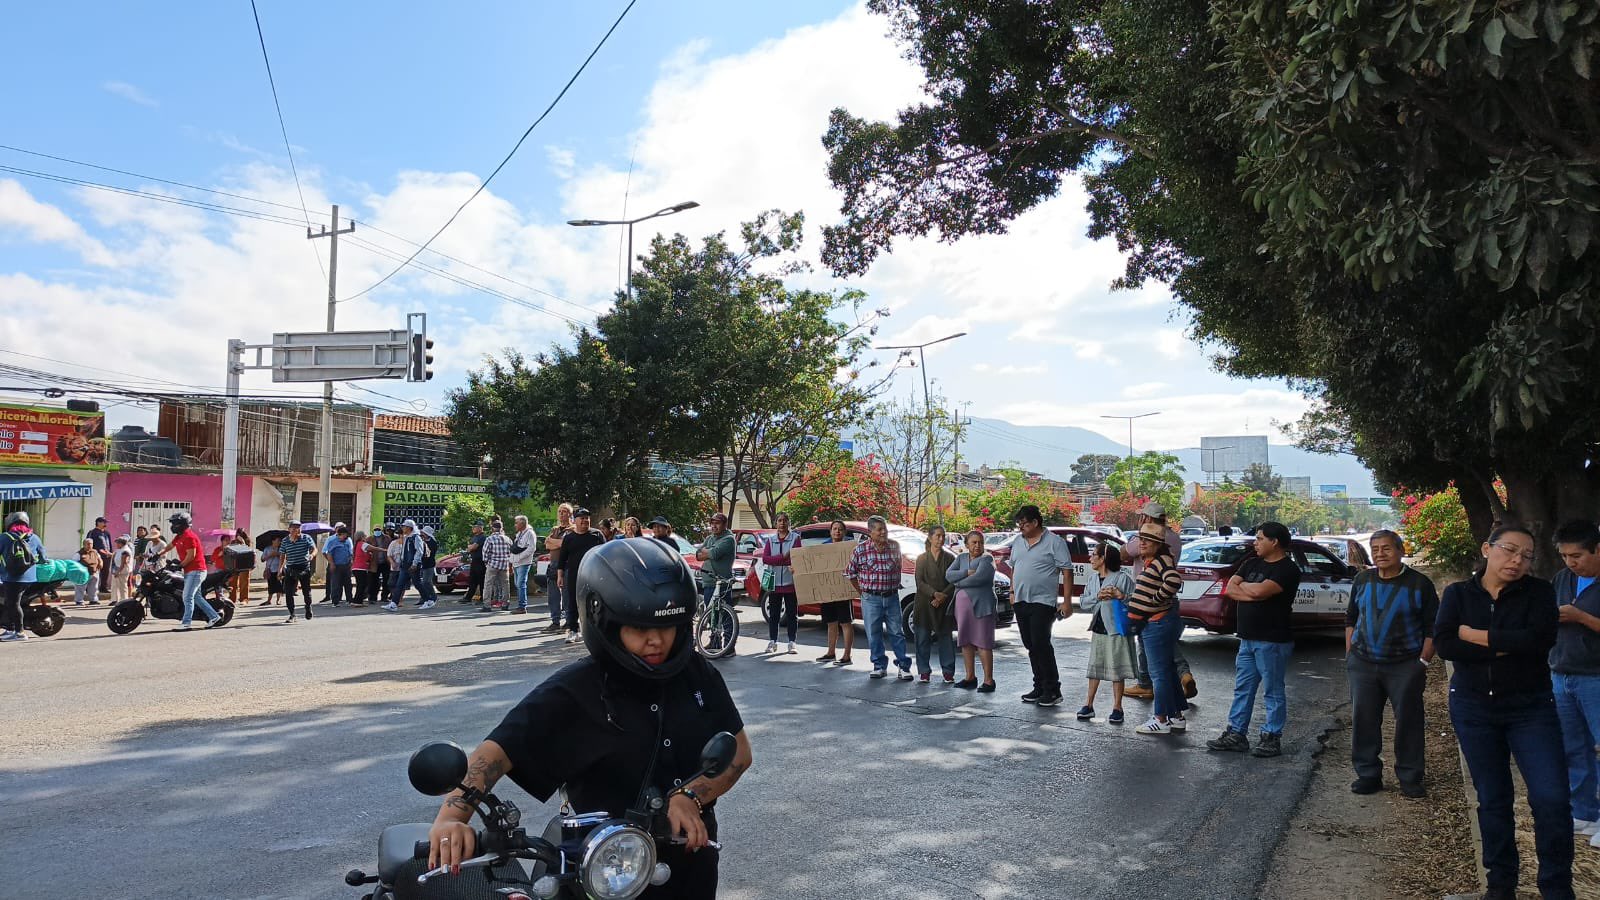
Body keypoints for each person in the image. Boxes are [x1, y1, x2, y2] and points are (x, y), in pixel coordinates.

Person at [424, 537, 753, 897]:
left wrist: (691, 796)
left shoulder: (697, 674)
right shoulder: (575, 690)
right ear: (605, 622)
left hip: (691, 864)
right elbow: (495, 753)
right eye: (639, 628)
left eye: (667, 627)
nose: (657, 641)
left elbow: (738, 752)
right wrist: (452, 818)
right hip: (604, 875)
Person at [1437, 524, 1573, 900]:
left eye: (1526, 556)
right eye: (1509, 550)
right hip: (1473, 707)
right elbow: (1446, 644)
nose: (1517, 561)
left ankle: (1557, 887)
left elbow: (1539, 640)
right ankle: (1500, 884)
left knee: (1551, 798)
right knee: (1493, 799)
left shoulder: (1540, 592)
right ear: (1487, 549)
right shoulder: (1458, 594)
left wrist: (1474, 635)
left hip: (1531, 708)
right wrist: (1505, 645)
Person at [1345, 529, 1437, 798]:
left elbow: (1434, 627)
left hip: (1405, 665)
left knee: (1409, 721)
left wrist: (1423, 661)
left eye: (1386, 548)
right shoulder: (1362, 580)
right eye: (1375, 549)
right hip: (1363, 663)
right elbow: (1351, 618)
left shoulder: (1419, 584)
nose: (1380, 554)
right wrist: (1350, 654)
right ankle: (1368, 774)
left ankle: (1410, 776)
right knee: (1363, 720)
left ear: (1400, 550)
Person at [1206, 521, 1302, 758]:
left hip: (1273, 640)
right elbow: (1231, 588)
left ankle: (1271, 737)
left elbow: (1260, 591)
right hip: (1247, 638)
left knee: (1272, 690)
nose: (1255, 543)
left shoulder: (1287, 569)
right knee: (1243, 689)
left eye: (1260, 539)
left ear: (1274, 542)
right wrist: (1253, 593)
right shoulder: (1251, 563)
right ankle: (1236, 733)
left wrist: (1249, 589)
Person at [1551, 520, 1600, 849]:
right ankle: (1584, 812)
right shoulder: (1562, 579)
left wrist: (1581, 617)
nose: (1571, 562)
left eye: (1577, 556)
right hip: (1561, 673)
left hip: (1595, 676)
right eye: (1565, 556)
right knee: (1574, 747)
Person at [1124, 501, 1198, 702]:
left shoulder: (1149, 538)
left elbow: (1124, 552)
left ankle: (1148, 686)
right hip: (1168, 601)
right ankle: (1182, 678)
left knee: (1150, 647)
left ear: (1148, 518)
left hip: (1152, 603)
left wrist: (1154, 599)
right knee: (1166, 643)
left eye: (1142, 517)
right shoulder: (1174, 537)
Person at [1007, 505, 1074, 707]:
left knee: (1041, 644)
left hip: (1043, 602)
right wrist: (1012, 592)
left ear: (1035, 522)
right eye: (1019, 524)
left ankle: (1052, 689)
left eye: (1024, 524)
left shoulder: (1054, 542)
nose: (1021, 528)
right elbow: (1014, 568)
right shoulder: (1018, 542)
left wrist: (1067, 601)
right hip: (1021, 600)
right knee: (1030, 645)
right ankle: (1039, 686)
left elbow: (1067, 572)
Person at [1128, 522, 1185, 735]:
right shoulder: (1154, 561)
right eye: (1141, 539)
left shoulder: (1161, 561)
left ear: (1158, 544)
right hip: (1156, 622)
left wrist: (1156, 600)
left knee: (1158, 673)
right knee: (1166, 671)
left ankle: (1160, 718)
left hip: (1157, 622)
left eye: (1147, 540)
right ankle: (1176, 716)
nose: (1142, 543)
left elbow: (1173, 581)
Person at [844, 516, 911, 681]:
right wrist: (862, 592)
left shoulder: (894, 546)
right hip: (871, 599)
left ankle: (903, 666)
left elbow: (898, 568)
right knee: (874, 634)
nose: (883, 532)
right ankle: (879, 666)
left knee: (897, 632)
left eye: (885, 529)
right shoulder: (860, 550)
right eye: (879, 529)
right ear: (870, 532)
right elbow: (850, 573)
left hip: (892, 597)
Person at [1078, 543, 1138, 724]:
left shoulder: (1122, 578)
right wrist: (1097, 596)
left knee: (1116, 669)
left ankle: (1117, 707)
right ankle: (1088, 704)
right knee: (1094, 669)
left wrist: (1120, 596)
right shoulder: (1093, 579)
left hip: (1117, 629)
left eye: (1093, 555)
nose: (1090, 558)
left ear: (1103, 558)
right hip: (1098, 628)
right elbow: (1083, 602)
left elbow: (1136, 602)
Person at [947, 530, 998, 692]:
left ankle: (988, 680)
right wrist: (966, 573)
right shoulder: (961, 558)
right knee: (965, 641)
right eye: (974, 542)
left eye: (980, 542)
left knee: (983, 642)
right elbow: (949, 575)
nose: (977, 545)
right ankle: (970, 677)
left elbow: (980, 578)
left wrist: (959, 582)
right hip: (962, 609)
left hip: (982, 607)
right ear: (967, 544)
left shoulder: (987, 559)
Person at [912, 526, 958, 684]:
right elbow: (919, 582)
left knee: (945, 638)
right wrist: (934, 594)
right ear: (930, 537)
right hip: (924, 603)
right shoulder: (922, 558)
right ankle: (924, 671)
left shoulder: (950, 558)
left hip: (944, 603)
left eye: (943, 536)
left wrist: (942, 596)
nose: (940, 539)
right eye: (937, 536)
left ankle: (948, 672)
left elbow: (954, 580)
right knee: (922, 638)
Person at [166, 512, 224, 630]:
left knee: (187, 597)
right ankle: (214, 617)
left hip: (196, 570)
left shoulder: (189, 537)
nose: (173, 526)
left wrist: (180, 565)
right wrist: (158, 554)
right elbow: (170, 546)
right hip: (190, 571)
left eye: (175, 524)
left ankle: (186, 623)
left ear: (183, 524)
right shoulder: (180, 536)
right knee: (197, 597)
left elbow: (191, 556)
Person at [558, 508, 606, 643]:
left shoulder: (597, 535)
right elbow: (562, 559)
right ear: (575, 520)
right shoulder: (569, 538)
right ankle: (573, 630)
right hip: (574, 575)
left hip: (593, 575)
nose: (585, 520)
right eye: (582, 518)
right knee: (572, 603)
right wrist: (560, 576)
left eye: (587, 518)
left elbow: (605, 554)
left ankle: (595, 631)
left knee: (594, 602)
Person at [0, 511, 47, 641]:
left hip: (11, 577)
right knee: (10, 603)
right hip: (29, 578)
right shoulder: (34, 538)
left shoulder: (4, 537)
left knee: (13, 604)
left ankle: (20, 633)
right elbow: (43, 558)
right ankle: (10, 629)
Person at [759, 513, 800, 656]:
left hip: (790, 582)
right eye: (779, 520)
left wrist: (778, 560)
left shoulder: (795, 538)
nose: (782, 523)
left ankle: (792, 642)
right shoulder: (771, 540)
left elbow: (796, 558)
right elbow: (766, 559)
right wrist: (783, 557)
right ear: (775, 523)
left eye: (785, 520)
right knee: (774, 614)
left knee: (792, 614)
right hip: (774, 583)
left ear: (789, 523)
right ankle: (773, 641)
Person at [818, 520, 855, 665]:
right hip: (828, 590)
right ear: (830, 531)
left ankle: (847, 656)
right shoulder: (823, 548)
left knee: (845, 622)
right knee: (831, 622)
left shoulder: (850, 548)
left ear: (844, 532)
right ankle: (831, 652)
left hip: (843, 591)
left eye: (840, 529)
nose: (837, 531)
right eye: (834, 529)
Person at [696, 512, 736, 617]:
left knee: (725, 616)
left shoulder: (728, 539)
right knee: (710, 616)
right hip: (708, 582)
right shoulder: (710, 538)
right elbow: (698, 555)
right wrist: (709, 552)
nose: (714, 526)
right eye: (712, 523)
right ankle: (712, 629)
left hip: (722, 582)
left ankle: (728, 629)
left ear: (724, 525)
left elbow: (714, 554)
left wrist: (707, 551)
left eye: (717, 523)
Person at [278, 520, 318, 622]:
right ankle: (292, 614)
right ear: (289, 529)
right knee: (288, 592)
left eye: (298, 527)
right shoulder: (285, 541)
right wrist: (280, 569)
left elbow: (314, 549)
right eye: (294, 527)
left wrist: (312, 555)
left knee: (306, 591)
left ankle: (308, 607)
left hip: (303, 567)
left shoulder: (306, 538)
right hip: (290, 568)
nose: (296, 529)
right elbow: (282, 555)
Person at [543, 504, 574, 631]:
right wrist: (558, 544)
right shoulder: (555, 529)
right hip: (553, 564)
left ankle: (569, 621)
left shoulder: (573, 529)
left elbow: (565, 544)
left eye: (564, 511)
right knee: (553, 596)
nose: (561, 514)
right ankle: (555, 621)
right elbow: (547, 545)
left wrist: (554, 542)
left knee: (567, 595)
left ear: (570, 514)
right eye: (560, 511)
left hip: (566, 564)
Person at [509, 515, 538, 614]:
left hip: (524, 562)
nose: (515, 525)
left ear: (522, 523)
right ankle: (520, 605)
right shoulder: (519, 534)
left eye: (516, 523)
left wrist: (520, 557)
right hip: (516, 562)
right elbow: (516, 548)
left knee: (520, 583)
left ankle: (522, 606)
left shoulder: (530, 533)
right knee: (517, 584)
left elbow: (531, 548)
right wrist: (512, 560)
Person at [482, 520, 512, 611]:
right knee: (505, 584)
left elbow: (485, 552)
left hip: (493, 564)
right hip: (504, 564)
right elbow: (512, 552)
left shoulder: (490, 539)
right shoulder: (507, 539)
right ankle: (505, 604)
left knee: (488, 584)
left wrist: (486, 562)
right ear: (501, 528)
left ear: (493, 528)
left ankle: (487, 605)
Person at [323, 524, 354, 606]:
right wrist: (332, 564)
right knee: (336, 583)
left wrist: (351, 562)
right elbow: (329, 554)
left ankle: (349, 599)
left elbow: (351, 552)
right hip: (336, 565)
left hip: (346, 565)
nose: (346, 536)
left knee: (348, 583)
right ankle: (335, 601)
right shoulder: (332, 542)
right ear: (340, 534)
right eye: (344, 535)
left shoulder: (348, 541)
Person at [382, 523, 408, 611]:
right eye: (402, 535)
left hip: (404, 567)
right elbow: (389, 554)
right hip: (395, 567)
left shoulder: (408, 544)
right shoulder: (393, 543)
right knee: (391, 583)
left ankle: (399, 600)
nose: (403, 536)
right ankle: (395, 597)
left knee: (403, 584)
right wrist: (392, 562)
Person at [86, 515, 112, 596]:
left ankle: (103, 587)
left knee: (105, 572)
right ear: (98, 523)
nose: (105, 524)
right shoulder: (92, 532)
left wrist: (111, 553)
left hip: (106, 556)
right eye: (104, 522)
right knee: (93, 572)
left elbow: (109, 544)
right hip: (95, 556)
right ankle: (89, 588)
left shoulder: (106, 533)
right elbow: (88, 543)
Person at [73, 538, 102, 606]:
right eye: (88, 544)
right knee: (80, 588)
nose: (90, 545)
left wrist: (100, 563)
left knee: (93, 588)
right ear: (84, 545)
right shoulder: (79, 554)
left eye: (91, 544)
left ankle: (93, 600)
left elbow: (99, 559)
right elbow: (74, 563)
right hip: (83, 574)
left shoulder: (95, 552)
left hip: (94, 572)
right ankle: (79, 601)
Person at [226, 529, 252, 605]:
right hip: (235, 564)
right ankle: (232, 598)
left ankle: (244, 599)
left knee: (244, 582)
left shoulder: (247, 542)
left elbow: (248, 551)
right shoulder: (233, 542)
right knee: (232, 582)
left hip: (245, 565)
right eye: (237, 535)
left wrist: (243, 543)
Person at [465, 520, 488, 605]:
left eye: (475, 527)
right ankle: (468, 597)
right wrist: (471, 547)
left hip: (480, 561)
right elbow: (469, 547)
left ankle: (483, 598)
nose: (473, 528)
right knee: (472, 580)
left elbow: (473, 547)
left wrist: (471, 547)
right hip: (474, 560)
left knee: (481, 580)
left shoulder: (482, 537)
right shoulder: (474, 537)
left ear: (480, 528)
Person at [373, 524, 395, 606]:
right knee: (374, 581)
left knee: (386, 580)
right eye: (375, 530)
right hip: (375, 563)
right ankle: (373, 597)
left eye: (378, 530)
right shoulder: (370, 539)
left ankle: (384, 596)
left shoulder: (387, 538)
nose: (377, 531)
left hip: (385, 562)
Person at [110, 535, 134, 605]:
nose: (116, 544)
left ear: (121, 543)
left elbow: (124, 563)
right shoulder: (119, 549)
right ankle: (115, 600)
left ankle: (124, 600)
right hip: (116, 569)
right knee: (115, 585)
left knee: (122, 586)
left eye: (118, 543)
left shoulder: (125, 551)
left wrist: (118, 571)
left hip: (122, 570)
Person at [261, 536, 283, 606]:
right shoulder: (267, 549)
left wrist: (277, 554)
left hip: (278, 569)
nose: (279, 542)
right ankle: (269, 600)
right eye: (277, 540)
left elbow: (285, 557)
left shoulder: (281, 548)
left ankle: (278, 599)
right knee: (270, 585)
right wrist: (270, 555)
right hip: (270, 569)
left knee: (279, 585)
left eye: (280, 541)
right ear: (273, 541)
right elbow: (262, 559)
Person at [350, 530, 370, 605]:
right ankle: (358, 602)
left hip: (356, 568)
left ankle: (356, 600)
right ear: (361, 537)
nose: (366, 537)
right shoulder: (362, 544)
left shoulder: (357, 545)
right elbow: (373, 548)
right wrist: (383, 550)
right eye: (364, 536)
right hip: (361, 568)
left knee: (360, 585)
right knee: (362, 585)